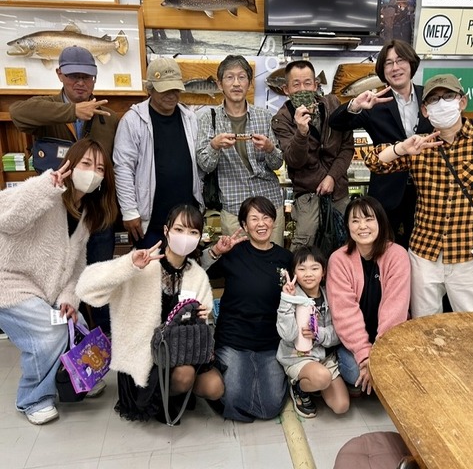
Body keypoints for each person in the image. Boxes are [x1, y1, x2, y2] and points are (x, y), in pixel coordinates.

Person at [365, 74, 473, 316]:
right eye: (433, 100)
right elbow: (374, 162)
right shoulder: (419, 145)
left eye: (448, 96)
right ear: (425, 110)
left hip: (468, 252)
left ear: (462, 102)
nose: (441, 103)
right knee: (425, 326)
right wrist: (402, 148)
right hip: (424, 253)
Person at [0, 138, 118, 425]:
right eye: (86, 164)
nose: (92, 173)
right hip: (9, 282)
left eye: (100, 169)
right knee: (50, 332)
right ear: (70, 165)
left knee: (76, 323)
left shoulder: (87, 214)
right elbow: (6, 219)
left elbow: (76, 268)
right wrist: (44, 186)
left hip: (45, 290)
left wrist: (68, 300)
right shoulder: (46, 190)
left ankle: (76, 379)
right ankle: (33, 398)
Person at [76, 204, 223, 422]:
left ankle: (177, 391)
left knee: (215, 387)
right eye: (179, 229)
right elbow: (86, 288)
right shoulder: (144, 264)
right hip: (146, 356)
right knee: (185, 375)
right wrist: (128, 265)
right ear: (166, 230)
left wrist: (201, 314)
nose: (185, 237)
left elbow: (203, 316)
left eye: (193, 232)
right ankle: (159, 398)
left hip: (180, 351)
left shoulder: (197, 273)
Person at [10, 45, 119, 334]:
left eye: (86, 76)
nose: (80, 82)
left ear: (94, 78)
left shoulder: (108, 118)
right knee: (60, 279)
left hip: (95, 212)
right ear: (60, 75)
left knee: (98, 278)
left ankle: (104, 339)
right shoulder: (45, 108)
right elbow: (17, 113)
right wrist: (71, 111)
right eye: (73, 76)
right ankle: (67, 340)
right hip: (55, 213)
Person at [329, 39, 433, 249]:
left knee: (421, 253)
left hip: (427, 192)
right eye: (388, 63)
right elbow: (336, 123)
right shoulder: (375, 102)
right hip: (386, 193)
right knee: (382, 251)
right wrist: (355, 104)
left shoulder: (430, 96)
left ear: (411, 63)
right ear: (382, 70)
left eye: (400, 60)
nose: (395, 67)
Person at [203, 196, 292, 422]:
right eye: (254, 219)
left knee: (271, 406)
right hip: (233, 339)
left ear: (274, 221)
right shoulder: (234, 252)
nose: (261, 224)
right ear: (244, 225)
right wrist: (216, 251)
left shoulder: (285, 258)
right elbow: (197, 271)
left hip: (270, 341)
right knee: (232, 398)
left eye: (266, 217)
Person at [114, 57, 203, 249]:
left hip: (186, 220)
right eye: (165, 89)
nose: (171, 95)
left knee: (185, 267)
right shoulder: (133, 121)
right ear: (150, 89)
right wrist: (129, 211)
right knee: (151, 267)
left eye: (175, 89)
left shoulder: (190, 118)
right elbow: (123, 168)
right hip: (150, 222)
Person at [196, 55, 285, 246]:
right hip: (234, 208)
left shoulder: (265, 116)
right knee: (239, 261)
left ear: (250, 83)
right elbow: (205, 165)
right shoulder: (208, 118)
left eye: (242, 77)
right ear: (220, 84)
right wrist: (214, 146)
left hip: (269, 204)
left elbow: (277, 163)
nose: (236, 83)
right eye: (229, 77)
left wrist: (270, 148)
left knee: (274, 260)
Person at [326, 196, 410, 395]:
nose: (362, 226)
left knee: (394, 371)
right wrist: (365, 357)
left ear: (380, 222)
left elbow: (395, 310)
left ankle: (374, 382)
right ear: (347, 226)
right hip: (354, 343)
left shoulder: (397, 255)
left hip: (390, 339)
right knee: (356, 371)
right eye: (355, 221)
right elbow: (345, 313)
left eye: (369, 219)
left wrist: (380, 355)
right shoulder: (339, 259)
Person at [271, 60, 354, 251]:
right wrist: (301, 133)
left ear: (316, 85)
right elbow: (294, 161)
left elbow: (347, 147)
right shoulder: (282, 119)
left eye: (307, 83)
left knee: (345, 245)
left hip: (339, 191)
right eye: (296, 84)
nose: (303, 89)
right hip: (308, 196)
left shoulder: (333, 104)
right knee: (305, 248)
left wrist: (332, 177)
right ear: (286, 89)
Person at [276, 246, 349, 418]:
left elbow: (340, 332)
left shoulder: (330, 295)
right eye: (302, 269)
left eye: (314, 268)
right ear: (294, 272)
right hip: (298, 357)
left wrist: (319, 334)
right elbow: (287, 335)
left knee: (341, 406)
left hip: (325, 358)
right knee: (322, 377)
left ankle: (315, 382)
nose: (308, 274)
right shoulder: (291, 295)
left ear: (323, 272)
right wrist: (287, 300)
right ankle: (299, 387)